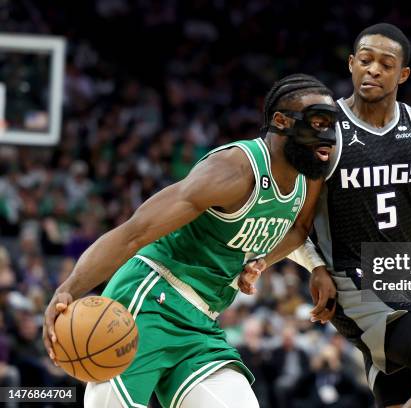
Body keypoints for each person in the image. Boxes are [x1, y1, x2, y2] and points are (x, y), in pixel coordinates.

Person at [42, 73, 339, 408]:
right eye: (317, 123)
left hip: (201, 322)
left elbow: (298, 229)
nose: (327, 135)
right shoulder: (232, 171)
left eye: (331, 124)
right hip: (150, 300)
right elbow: (134, 233)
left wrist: (272, 262)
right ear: (282, 121)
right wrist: (68, 288)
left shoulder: (310, 174)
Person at [242, 23, 411, 407]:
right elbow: (299, 225)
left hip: (406, 284)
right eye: (365, 60)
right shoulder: (327, 131)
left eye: (385, 64)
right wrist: (266, 262)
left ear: (402, 74)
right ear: (351, 64)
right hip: (356, 285)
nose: (373, 70)